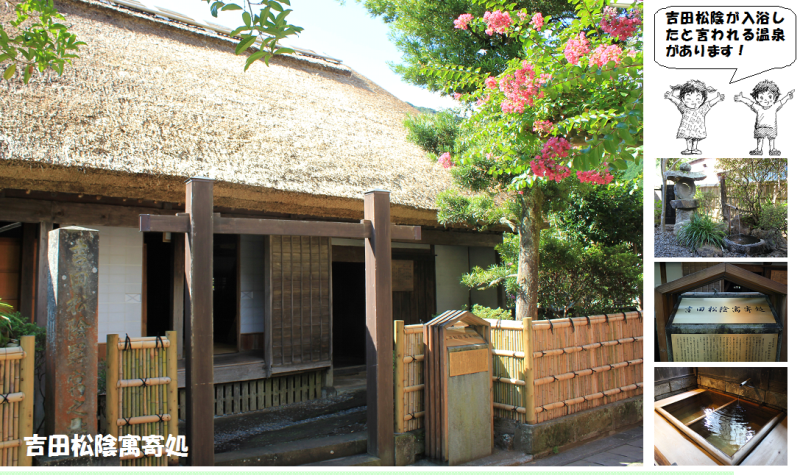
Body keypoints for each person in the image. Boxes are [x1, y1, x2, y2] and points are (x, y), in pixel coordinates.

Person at [734, 80, 794, 156]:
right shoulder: (758, 107)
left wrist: (788, 97)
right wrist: (742, 99)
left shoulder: (774, 106)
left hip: (771, 127)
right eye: (761, 97)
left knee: (771, 139)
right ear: (756, 98)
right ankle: (759, 150)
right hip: (760, 127)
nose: (765, 100)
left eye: (769, 96)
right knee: (760, 138)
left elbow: (782, 101)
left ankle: (772, 150)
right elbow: (750, 103)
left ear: (775, 98)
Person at [664, 80, 725, 155]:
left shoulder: (702, 109)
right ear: (683, 99)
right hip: (687, 128)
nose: (693, 102)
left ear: (703, 99)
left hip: (697, 128)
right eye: (689, 99)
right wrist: (670, 97)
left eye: (697, 99)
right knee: (688, 138)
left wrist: (718, 99)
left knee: (696, 138)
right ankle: (689, 149)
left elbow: (710, 103)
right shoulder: (684, 108)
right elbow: (677, 102)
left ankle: (694, 149)